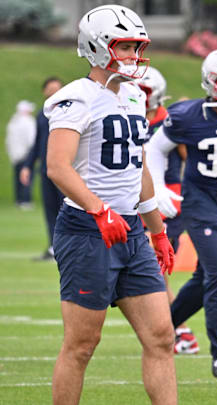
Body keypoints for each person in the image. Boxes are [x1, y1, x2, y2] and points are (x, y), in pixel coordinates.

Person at [44, 5, 176, 405]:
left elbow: (138, 171)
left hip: (132, 229)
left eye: (137, 48)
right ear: (97, 47)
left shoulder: (135, 96)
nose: (134, 56)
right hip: (88, 229)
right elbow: (57, 166)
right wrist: (100, 210)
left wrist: (157, 230)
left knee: (162, 337)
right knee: (82, 344)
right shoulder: (75, 97)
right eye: (125, 47)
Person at [144, 48, 217, 380]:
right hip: (201, 204)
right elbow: (154, 147)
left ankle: (162, 326)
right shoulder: (188, 114)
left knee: (205, 278)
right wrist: (158, 189)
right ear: (211, 83)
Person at [135, 66, 198, 354]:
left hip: (166, 200)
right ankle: (176, 329)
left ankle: (179, 329)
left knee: (153, 268)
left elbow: (190, 161)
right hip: (138, 199)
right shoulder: (131, 117)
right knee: (152, 271)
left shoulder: (169, 122)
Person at [21, 77, 64, 261]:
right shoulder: (41, 114)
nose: (54, 92)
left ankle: (65, 246)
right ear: (44, 91)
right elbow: (37, 142)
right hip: (46, 170)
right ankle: (53, 246)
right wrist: (27, 166)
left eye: (57, 88)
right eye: (50, 88)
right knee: (50, 209)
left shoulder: (68, 111)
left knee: (65, 208)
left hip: (64, 170)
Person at [6, 100, 36, 210]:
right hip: (26, 154)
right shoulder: (28, 121)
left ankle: (19, 199)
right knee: (27, 177)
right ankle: (25, 200)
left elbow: (8, 141)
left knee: (18, 178)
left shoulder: (13, 122)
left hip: (15, 156)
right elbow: (31, 139)